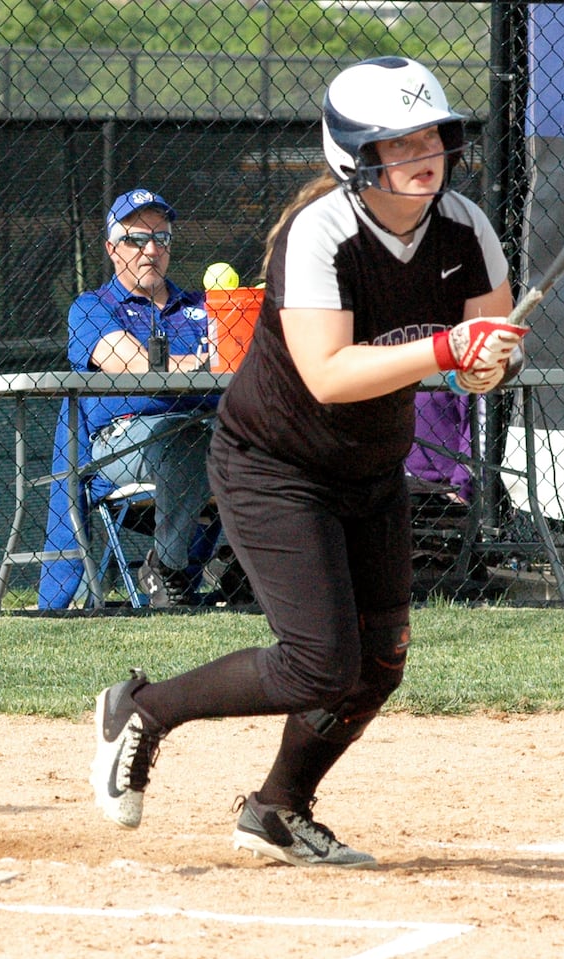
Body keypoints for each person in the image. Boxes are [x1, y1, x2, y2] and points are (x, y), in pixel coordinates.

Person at [90, 57, 524, 868]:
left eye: (430, 133)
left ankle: (278, 810)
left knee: (379, 664)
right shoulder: (317, 232)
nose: (422, 150)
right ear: (355, 157)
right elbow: (327, 373)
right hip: (273, 466)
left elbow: (479, 362)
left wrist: (488, 359)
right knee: (317, 663)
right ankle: (143, 710)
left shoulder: (465, 227)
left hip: (369, 470)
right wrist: (448, 347)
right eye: (397, 142)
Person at [38, 188, 219, 609]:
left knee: (267, 437)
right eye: (137, 239)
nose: (151, 250)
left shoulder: (202, 306)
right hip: (122, 443)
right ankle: (170, 569)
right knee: (186, 439)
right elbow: (125, 360)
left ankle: (243, 567)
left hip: (208, 430)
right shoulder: (91, 307)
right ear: (112, 249)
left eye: (162, 239)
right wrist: (194, 363)